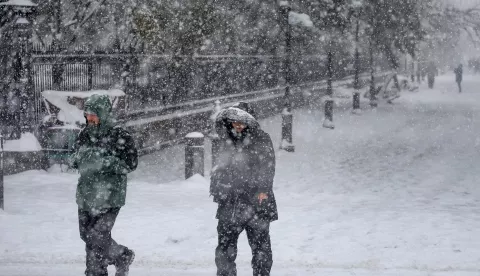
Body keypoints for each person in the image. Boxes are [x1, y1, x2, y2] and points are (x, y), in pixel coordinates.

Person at [70, 94, 138, 276]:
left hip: (110, 196)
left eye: (93, 114)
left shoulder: (120, 135)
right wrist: (79, 159)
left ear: (103, 113)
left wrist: (104, 161)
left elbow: (131, 164)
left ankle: (106, 265)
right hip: (86, 195)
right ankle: (108, 264)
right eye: (87, 114)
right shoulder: (83, 134)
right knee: (87, 236)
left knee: (96, 236)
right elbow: (73, 159)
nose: (89, 118)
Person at [210, 102, 277, 276]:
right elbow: (218, 168)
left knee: (261, 248)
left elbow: (267, 167)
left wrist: (262, 189)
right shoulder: (224, 141)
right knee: (225, 248)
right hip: (229, 202)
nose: (238, 126)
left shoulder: (261, 138)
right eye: (234, 122)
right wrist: (218, 189)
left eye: (241, 122)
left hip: (256, 201)